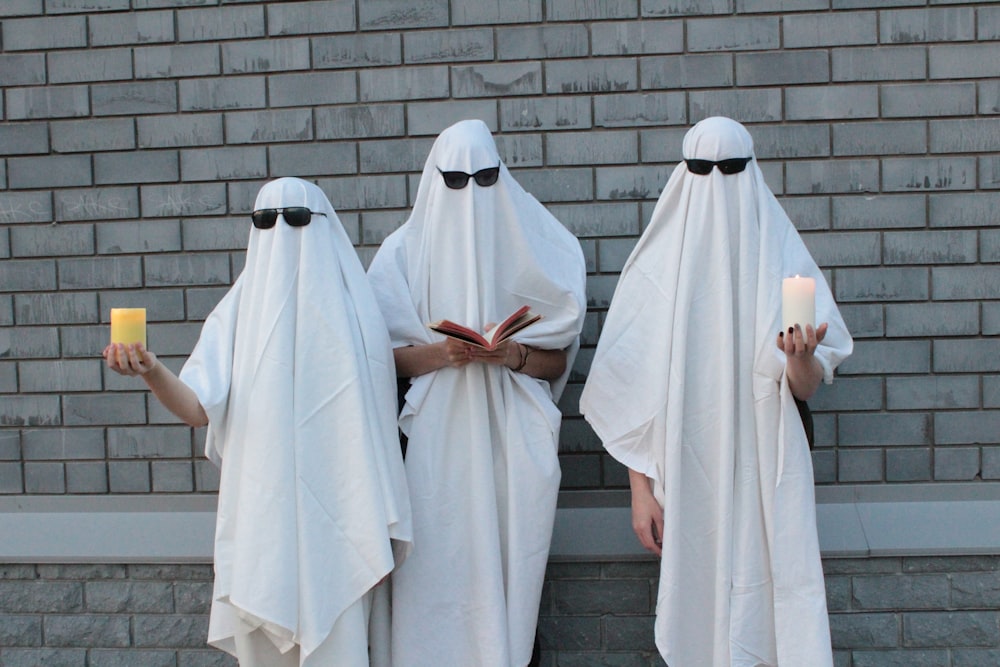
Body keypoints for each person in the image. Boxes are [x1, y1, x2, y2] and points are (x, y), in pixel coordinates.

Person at [104, 177, 412, 667]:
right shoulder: (237, 315)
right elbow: (196, 408)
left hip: (341, 528)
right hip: (262, 526)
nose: (281, 233)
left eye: (295, 220)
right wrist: (152, 370)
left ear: (323, 225)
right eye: (266, 221)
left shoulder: (360, 316)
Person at [579, 117, 853, 667]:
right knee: (699, 609)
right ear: (686, 174)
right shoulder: (655, 269)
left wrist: (799, 358)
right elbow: (630, 388)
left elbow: (803, 387)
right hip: (685, 472)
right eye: (705, 171)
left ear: (750, 172)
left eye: (730, 171)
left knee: (767, 605)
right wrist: (640, 490)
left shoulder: (785, 264)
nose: (717, 184)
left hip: (763, 472)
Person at [366, 119, 586, 667]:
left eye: (485, 178)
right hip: (435, 449)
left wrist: (510, 355)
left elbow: (557, 356)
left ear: (501, 174)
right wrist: (446, 354)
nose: (472, 194)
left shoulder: (538, 240)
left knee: (513, 571)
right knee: (436, 573)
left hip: (512, 444)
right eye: (458, 181)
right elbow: (375, 359)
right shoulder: (402, 253)